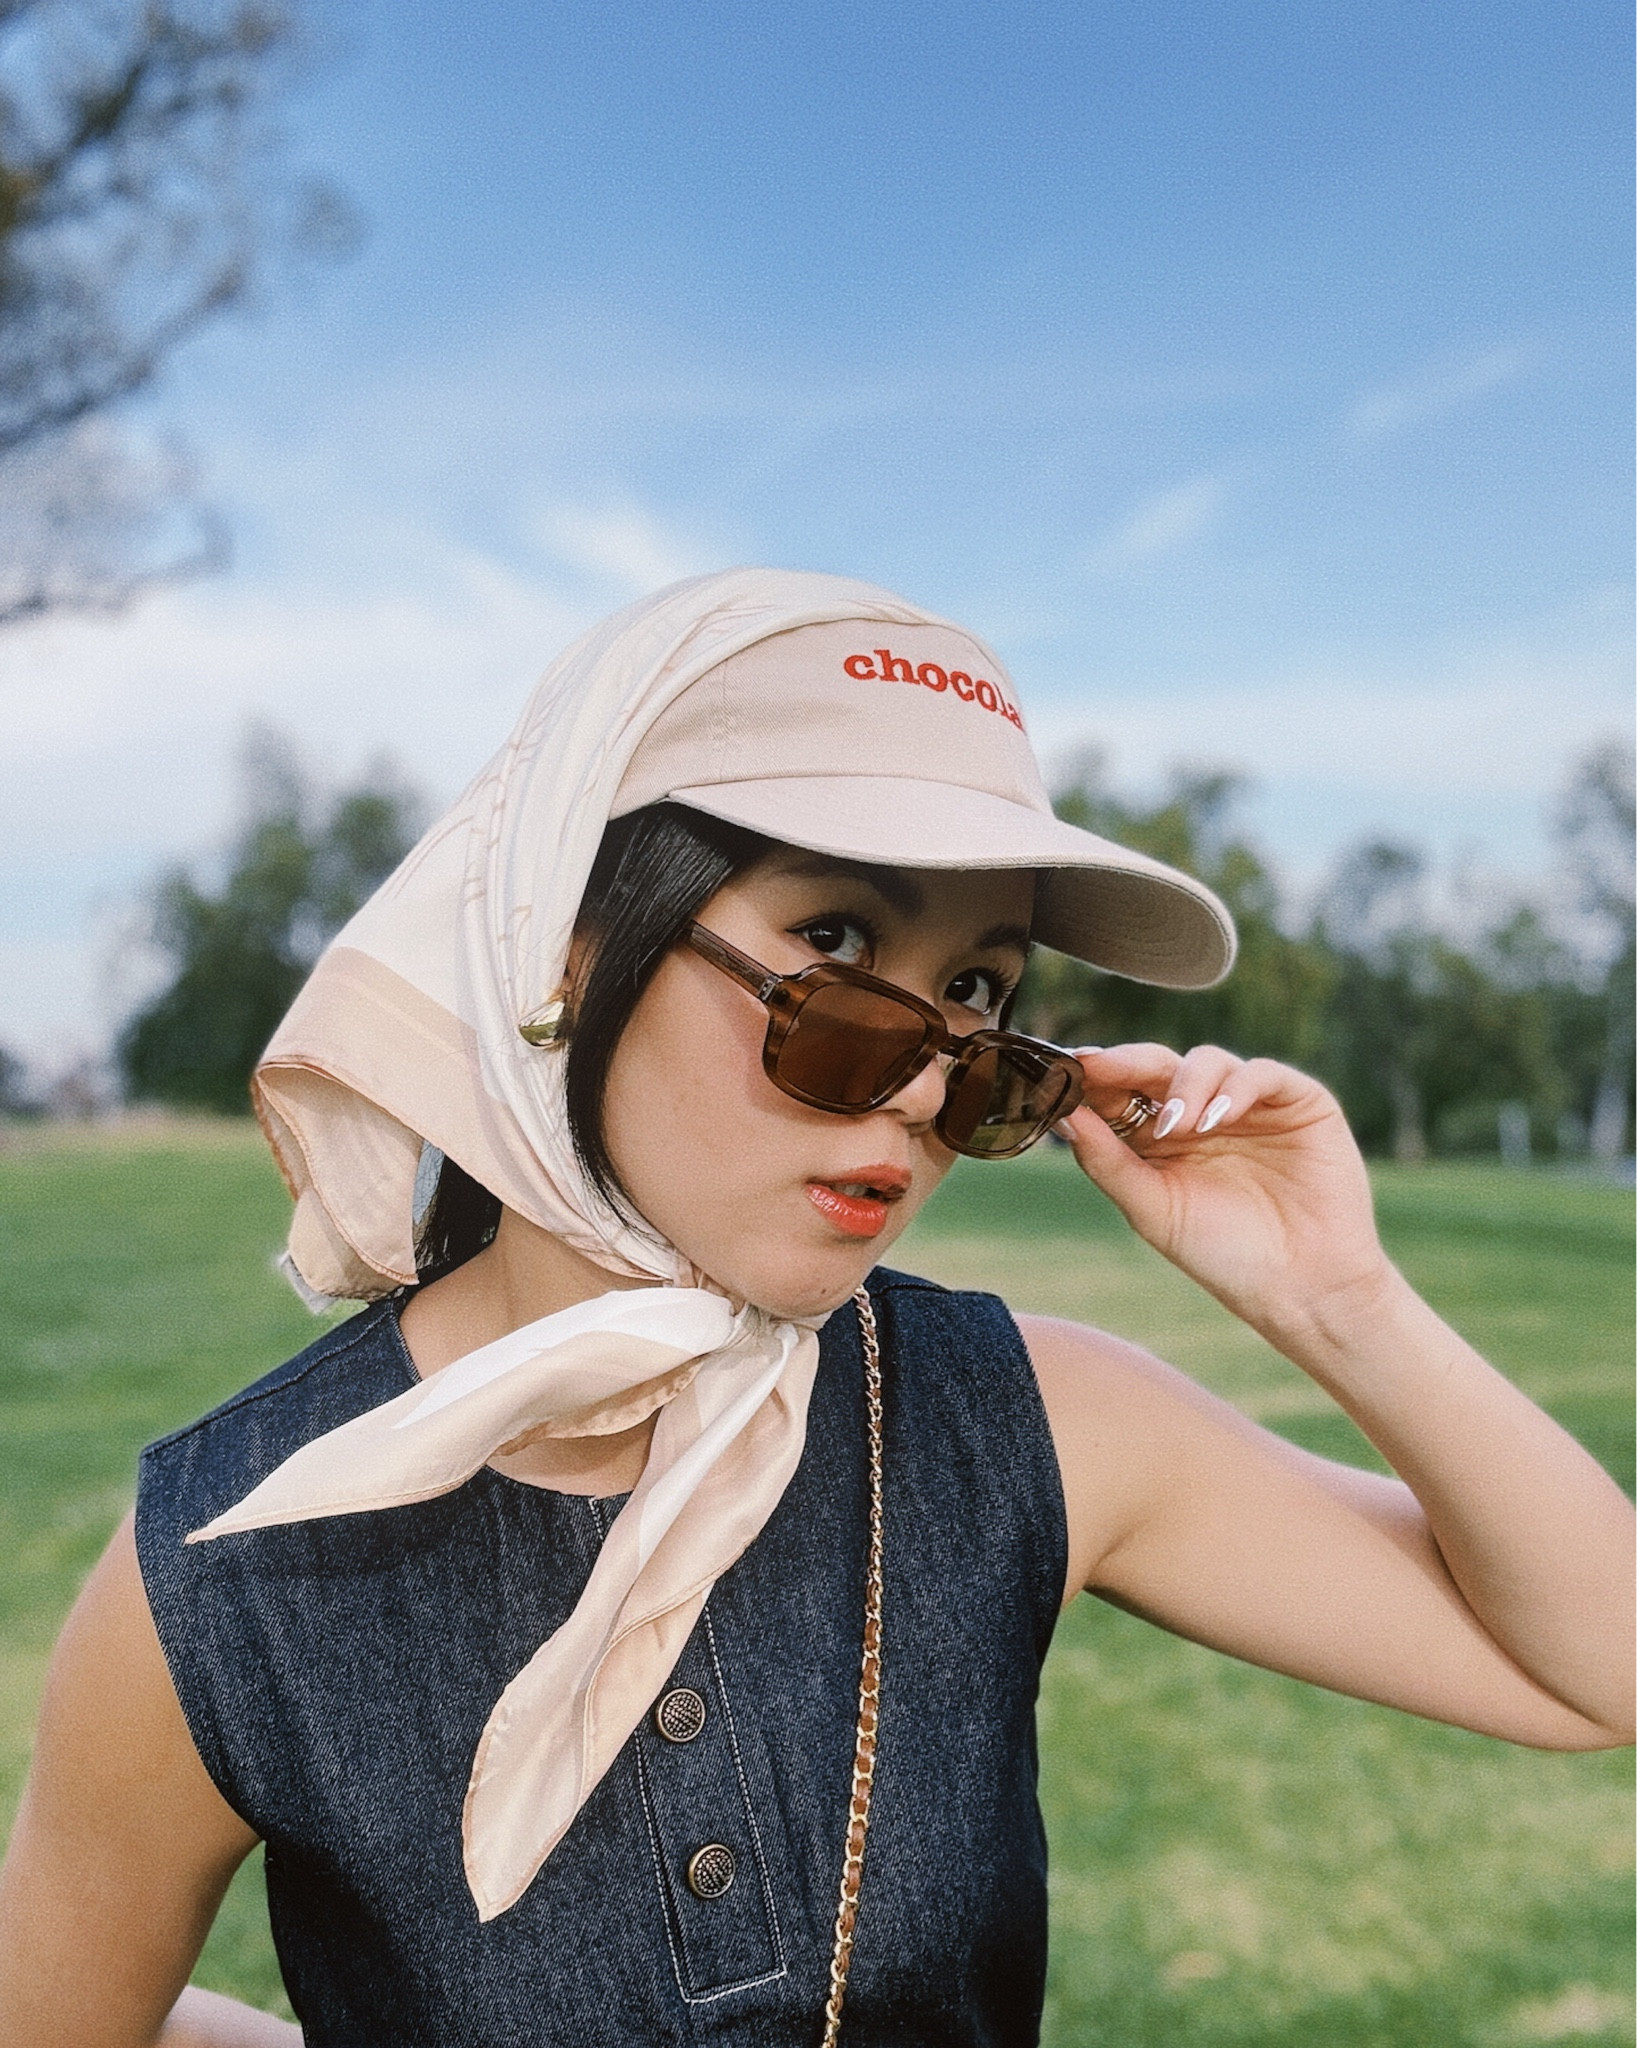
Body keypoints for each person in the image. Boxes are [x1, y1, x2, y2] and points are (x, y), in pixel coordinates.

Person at [0, 570, 1629, 2048]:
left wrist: (1338, 1302)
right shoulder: (225, 1569)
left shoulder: (1022, 1421)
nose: (927, 1081)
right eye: (836, 945)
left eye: (979, 999)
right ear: (559, 953)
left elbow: (1593, 1674)